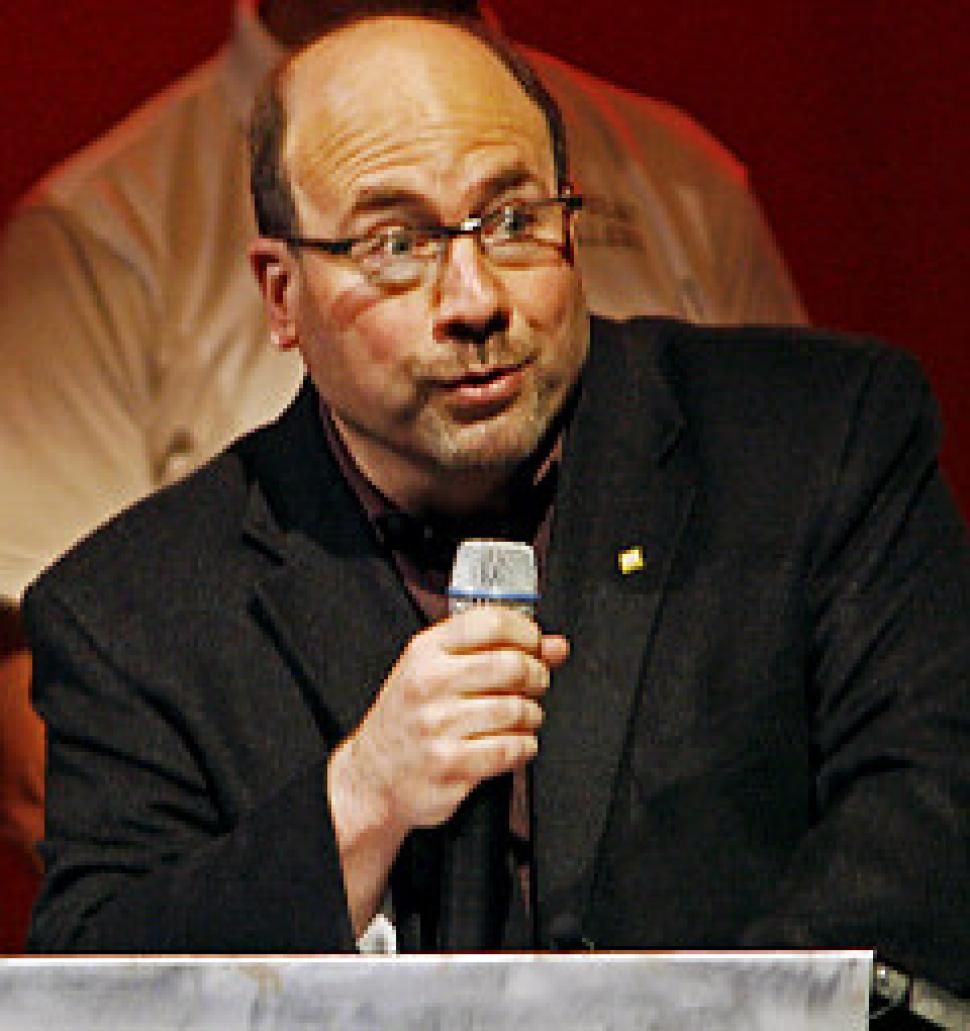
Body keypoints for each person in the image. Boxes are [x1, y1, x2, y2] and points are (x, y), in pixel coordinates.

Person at [22, 12, 970, 998]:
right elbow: (97, 987)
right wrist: (358, 802)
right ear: (281, 295)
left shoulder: (817, 445)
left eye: (512, 222)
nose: (474, 299)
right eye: (397, 243)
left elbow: (929, 818)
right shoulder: (130, 613)